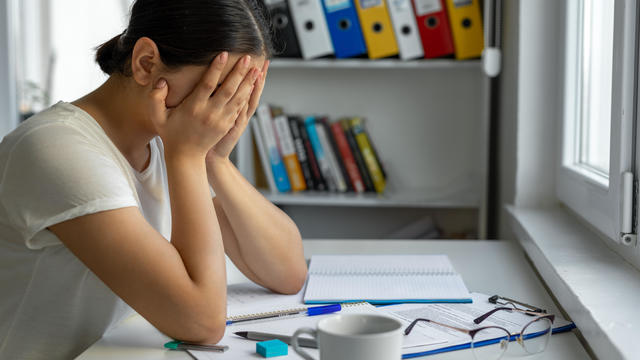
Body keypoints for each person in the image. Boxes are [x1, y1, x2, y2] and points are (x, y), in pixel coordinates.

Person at [0, 1, 308, 358]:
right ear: (146, 63)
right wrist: (188, 156)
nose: (226, 110)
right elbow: (202, 323)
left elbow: (287, 273)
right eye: (217, 89)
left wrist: (215, 160)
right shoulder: (56, 149)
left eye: (241, 92)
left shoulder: (171, 136)